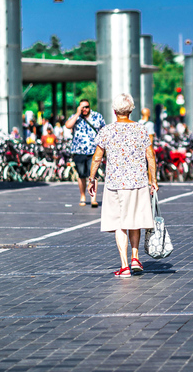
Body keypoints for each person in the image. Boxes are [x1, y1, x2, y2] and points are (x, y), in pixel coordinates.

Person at [88, 94, 157, 277]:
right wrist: (154, 180)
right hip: (138, 182)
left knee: (120, 224)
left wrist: (92, 178)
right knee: (135, 221)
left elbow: (97, 157)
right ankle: (135, 257)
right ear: (131, 109)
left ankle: (125, 265)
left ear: (114, 111)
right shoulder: (141, 130)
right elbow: (150, 156)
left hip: (115, 184)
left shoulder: (107, 131)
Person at [66, 99, 106, 207]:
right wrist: (78, 114)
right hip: (78, 150)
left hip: (94, 151)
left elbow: (104, 131)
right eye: (82, 107)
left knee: (93, 174)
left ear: (90, 106)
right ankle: (83, 196)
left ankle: (93, 198)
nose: (85, 109)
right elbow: (68, 125)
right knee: (81, 174)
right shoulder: (75, 117)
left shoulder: (97, 116)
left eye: (86, 107)